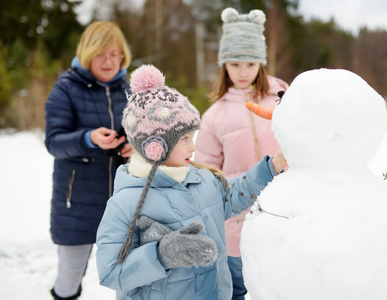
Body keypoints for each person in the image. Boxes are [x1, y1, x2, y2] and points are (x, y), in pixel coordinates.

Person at [95, 64, 287, 300]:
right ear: (155, 148)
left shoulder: (201, 179)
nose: (193, 147)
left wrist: (272, 166)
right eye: (184, 139)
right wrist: (161, 255)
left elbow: (233, 194)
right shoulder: (125, 203)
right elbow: (111, 271)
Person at [194, 7, 289, 300]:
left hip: (284, 217)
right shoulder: (214, 116)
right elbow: (205, 175)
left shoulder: (282, 95)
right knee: (237, 290)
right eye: (235, 64)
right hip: (237, 226)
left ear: (261, 61)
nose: (244, 72)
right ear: (224, 65)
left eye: (250, 63)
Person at [44, 21, 134, 300]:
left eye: (114, 54)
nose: (108, 61)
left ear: (123, 56)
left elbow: (148, 136)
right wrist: (88, 139)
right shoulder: (66, 88)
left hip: (124, 201)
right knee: (70, 275)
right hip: (76, 201)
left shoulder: (132, 91)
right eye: (100, 54)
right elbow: (54, 142)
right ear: (87, 53)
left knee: (131, 275)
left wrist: (136, 147)